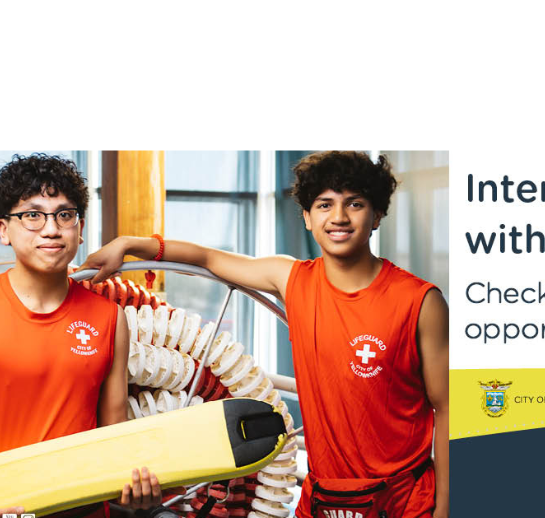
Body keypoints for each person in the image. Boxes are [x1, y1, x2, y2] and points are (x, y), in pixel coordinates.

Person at [84, 151, 450, 518]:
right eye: (325, 204)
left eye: (354, 204)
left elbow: (449, 409)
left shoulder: (420, 301)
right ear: (307, 218)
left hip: (403, 501)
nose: (338, 217)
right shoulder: (292, 279)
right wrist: (132, 245)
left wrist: (445, 511)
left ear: (377, 215)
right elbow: (208, 259)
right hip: (326, 501)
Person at [0, 154, 164, 518]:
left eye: (64, 214)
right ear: (2, 229)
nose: (51, 229)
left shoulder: (109, 319)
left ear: (80, 226)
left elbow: (114, 439)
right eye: (32, 215)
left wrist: (138, 492)